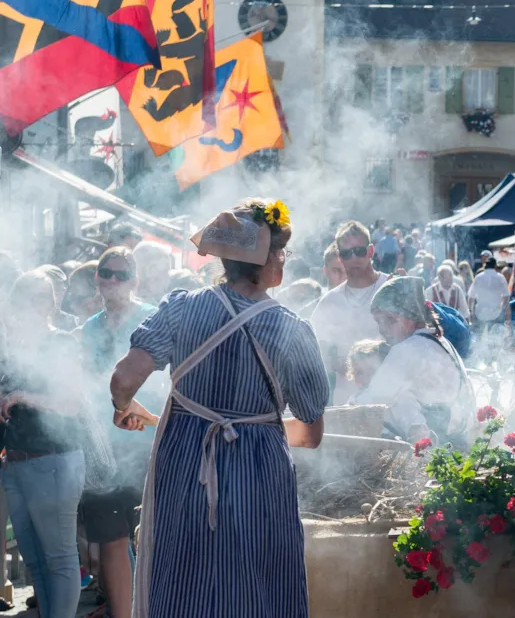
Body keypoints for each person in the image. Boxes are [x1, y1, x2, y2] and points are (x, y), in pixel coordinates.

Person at [109, 198, 327, 618]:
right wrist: (252, 427)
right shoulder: (290, 329)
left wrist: (128, 406)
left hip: (184, 467)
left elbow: (122, 380)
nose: (284, 259)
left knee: (180, 583)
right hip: (259, 477)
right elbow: (310, 433)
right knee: (258, 589)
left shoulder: (182, 307)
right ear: (264, 261)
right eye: (281, 251)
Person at [79, 248, 160, 618]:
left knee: (151, 536)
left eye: (120, 274)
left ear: (135, 281)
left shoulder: (152, 319)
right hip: (102, 449)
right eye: (105, 273)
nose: (112, 281)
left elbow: (165, 383)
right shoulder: (89, 328)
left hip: (147, 445)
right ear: (97, 278)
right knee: (111, 539)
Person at [0, 272, 86, 618]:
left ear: (51, 303)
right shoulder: (14, 349)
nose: (31, 305)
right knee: (35, 558)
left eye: (39, 297)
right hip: (17, 463)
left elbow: (71, 402)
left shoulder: (60, 342)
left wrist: (22, 396)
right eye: (24, 297)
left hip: (54, 460)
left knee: (60, 557)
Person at [354, 277, 473, 446]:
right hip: (457, 440)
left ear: (409, 316)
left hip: (437, 446)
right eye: (378, 321)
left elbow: (374, 400)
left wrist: (345, 408)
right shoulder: (441, 341)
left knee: (396, 403)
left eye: (389, 319)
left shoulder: (409, 349)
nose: (382, 329)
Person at [311, 221, 391, 404]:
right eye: (347, 253)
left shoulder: (391, 287)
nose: (354, 258)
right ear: (340, 257)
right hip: (346, 402)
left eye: (359, 251)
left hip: (393, 400)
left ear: (370, 251)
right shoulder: (330, 301)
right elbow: (316, 353)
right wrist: (336, 362)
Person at [469, 257, 509, 333]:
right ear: (495, 266)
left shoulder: (478, 277)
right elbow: (506, 296)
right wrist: (501, 307)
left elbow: (471, 297)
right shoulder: (500, 277)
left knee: (478, 338)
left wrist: (471, 312)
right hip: (495, 313)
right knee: (494, 338)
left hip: (480, 313)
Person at [37, 265, 80, 331]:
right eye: (49, 290)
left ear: (64, 291)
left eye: (58, 289)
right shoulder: (25, 321)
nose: (54, 296)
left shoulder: (73, 323)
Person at [132, 241, 173, 306]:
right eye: (165, 271)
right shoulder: (152, 310)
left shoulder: (125, 303)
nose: (168, 276)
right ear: (150, 271)